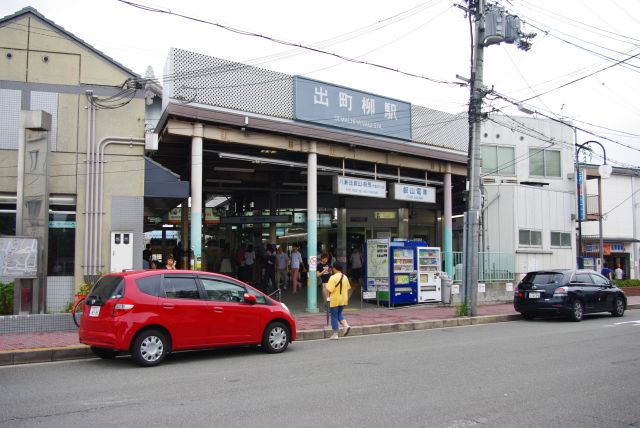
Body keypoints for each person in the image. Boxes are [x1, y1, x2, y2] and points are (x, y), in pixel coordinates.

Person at [325, 261, 351, 340]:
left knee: (334, 316)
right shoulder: (345, 277)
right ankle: (346, 326)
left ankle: (335, 334)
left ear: (334, 268)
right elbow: (348, 288)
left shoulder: (333, 277)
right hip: (343, 299)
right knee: (339, 314)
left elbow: (328, 289)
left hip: (335, 300)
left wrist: (327, 299)